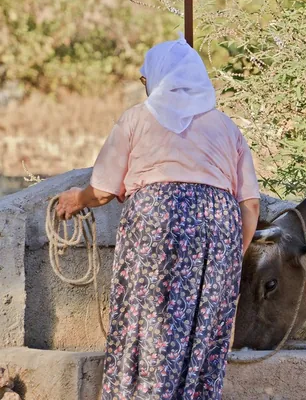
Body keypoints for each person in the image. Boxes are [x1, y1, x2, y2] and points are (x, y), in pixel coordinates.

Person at [54, 35, 261, 400]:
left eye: (145, 79)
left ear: (158, 78)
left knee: (147, 319)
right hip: (218, 228)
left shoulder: (136, 119)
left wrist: (76, 199)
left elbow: (102, 191)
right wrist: (232, 255)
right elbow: (251, 204)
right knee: (201, 328)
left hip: (156, 219)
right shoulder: (228, 128)